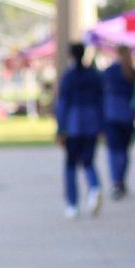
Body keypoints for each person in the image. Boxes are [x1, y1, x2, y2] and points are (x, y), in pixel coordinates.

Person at [55, 42, 104, 219]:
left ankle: (72, 203)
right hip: (91, 122)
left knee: (70, 165)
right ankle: (94, 187)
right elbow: (101, 99)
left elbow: (62, 103)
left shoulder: (68, 77)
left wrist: (60, 128)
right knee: (88, 162)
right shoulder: (93, 75)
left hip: (74, 124)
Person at [101, 44, 135, 201]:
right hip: (128, 116)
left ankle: (116, 181)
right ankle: (120, 180)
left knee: (113, 151)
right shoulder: (133, 73)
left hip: (112, 116)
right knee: (123, 150)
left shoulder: (109, 72)